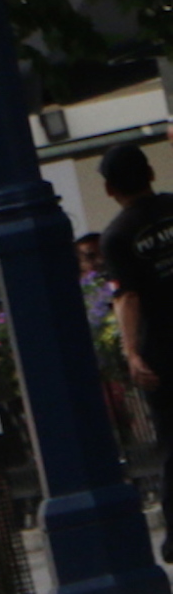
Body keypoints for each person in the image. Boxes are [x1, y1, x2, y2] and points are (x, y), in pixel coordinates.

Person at [97, 142, 173, 562]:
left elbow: (127, 296)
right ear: (150, 174)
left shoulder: (118, 237)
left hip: (163, 344)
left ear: (110, 190)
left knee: (171, 441)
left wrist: (131, 352)